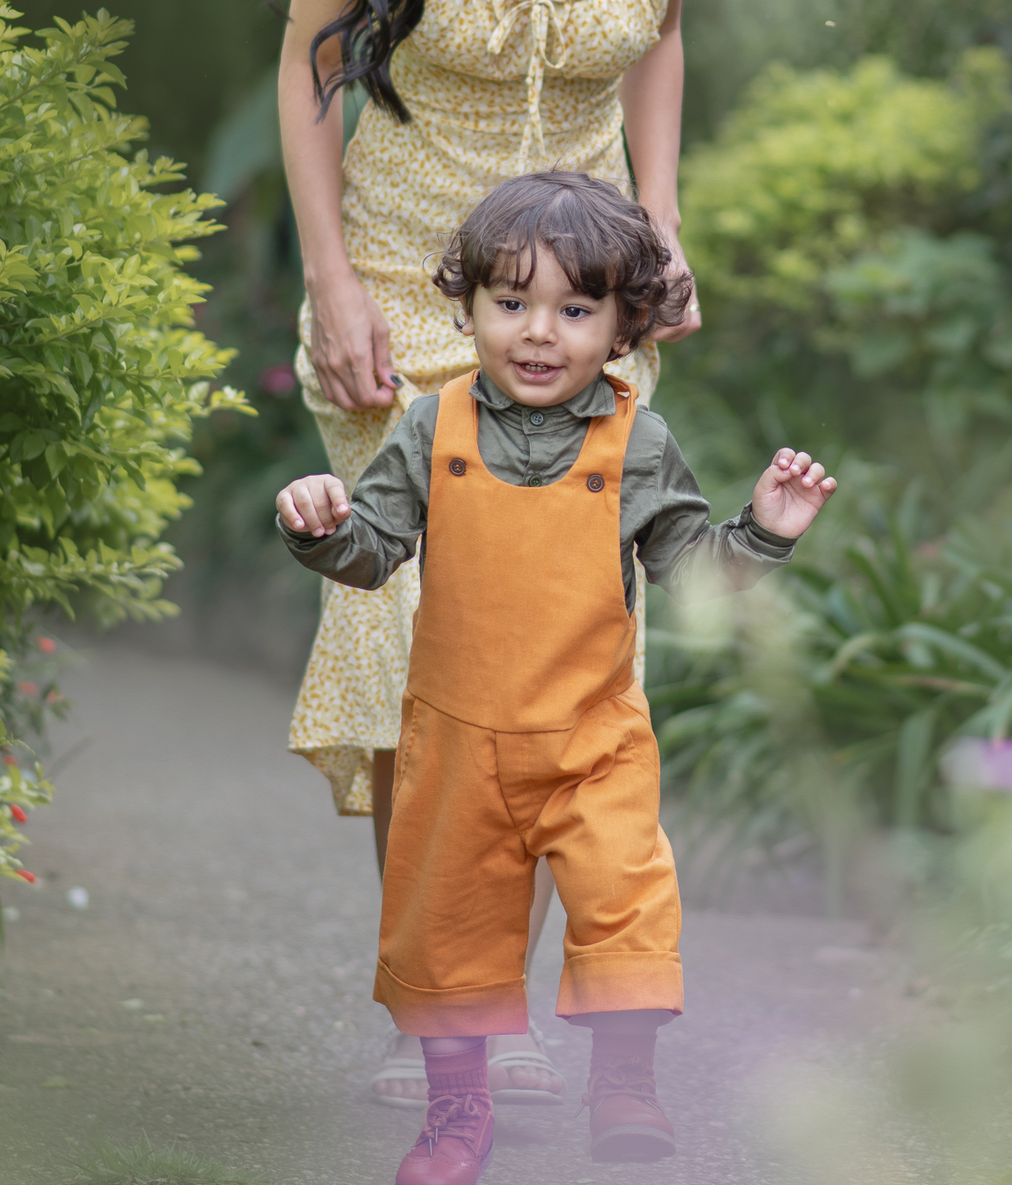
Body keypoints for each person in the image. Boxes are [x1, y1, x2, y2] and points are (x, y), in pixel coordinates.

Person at [268, 0, 727, 1108]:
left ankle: (495, 1010)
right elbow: (307, 70)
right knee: (423, 651)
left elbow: (661, 35)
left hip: (579, 306)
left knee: (551, 659)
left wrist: (660, 224)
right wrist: (331, 280)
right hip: (401, 296)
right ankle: (453, 1018)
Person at [276, 172, 838, 1180]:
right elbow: (373, 551)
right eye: (511, 302)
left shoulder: (639, 441)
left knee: (627, 897)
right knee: (447, 930)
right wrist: (322, 528)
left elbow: (688, 571)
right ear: (468, 308)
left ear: (625, 328)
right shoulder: (431, 427)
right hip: (458, 740)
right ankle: (457, 1115)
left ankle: (623, 1081)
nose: (538, 332)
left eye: (575, 310)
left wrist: (763, 532)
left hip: (593, 740)